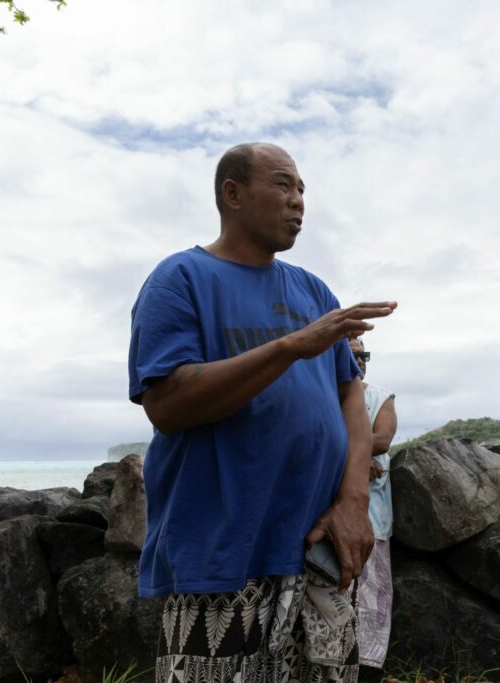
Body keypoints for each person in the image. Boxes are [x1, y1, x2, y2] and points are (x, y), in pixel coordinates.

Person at [128, 142, 396, 682]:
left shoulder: (313, 290)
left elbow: (350, 394)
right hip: (220, 561)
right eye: (282, 184)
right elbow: (168, 405)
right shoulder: (180, 279)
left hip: (317, 552)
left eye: (302, 189)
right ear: (232, 194)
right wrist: (290, 347)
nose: (298, 200)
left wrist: (352, 501)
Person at [347, 336, 397, 669]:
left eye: (364, 354)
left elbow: (383, 438)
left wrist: (352, 451)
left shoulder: (380, 397)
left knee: (372, 593)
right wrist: (357, 457)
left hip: (372, 515)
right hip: (327, 514)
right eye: (352, 354)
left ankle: (364, 665)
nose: (360, 360)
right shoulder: (321, 397)